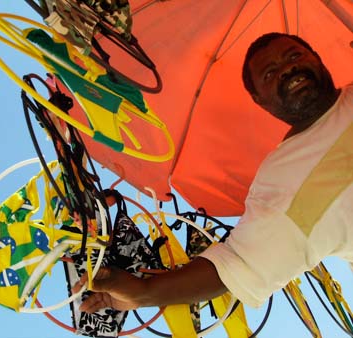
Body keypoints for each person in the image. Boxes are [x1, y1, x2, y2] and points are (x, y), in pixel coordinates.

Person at [76, 32, 353, 313]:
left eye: (294, 56)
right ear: (259, 100)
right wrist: (144, 293)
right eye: (270, 73)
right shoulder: (282, 178)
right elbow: (238, 264)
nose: (287, 69)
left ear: (317, 58)